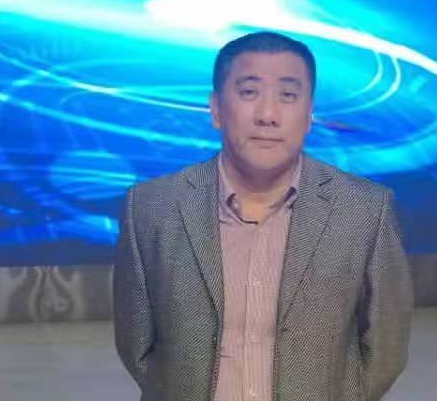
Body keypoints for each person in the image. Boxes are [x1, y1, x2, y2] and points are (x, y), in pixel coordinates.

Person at [114, 30, 414, 401]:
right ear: (216, 109)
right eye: (249, 92)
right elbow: (136, 343)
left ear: (309, 113)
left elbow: (386, 348)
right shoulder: (152, 207)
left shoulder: (364, 209)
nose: (268, 115)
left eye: (288, 96)